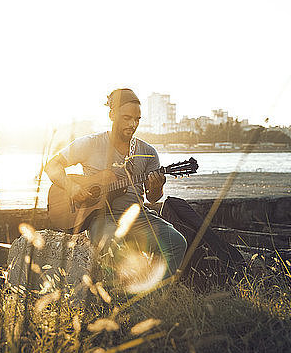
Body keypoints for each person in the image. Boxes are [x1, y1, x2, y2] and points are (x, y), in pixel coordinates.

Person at [44, 88, 187, 278]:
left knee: (176, 242)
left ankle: (152, 295)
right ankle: (117, 299)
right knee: (111, 244)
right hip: (101, 218)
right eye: (127, 118)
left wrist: (156, 186)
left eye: (137, 119)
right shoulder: (90, 143)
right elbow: (52, 166)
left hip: (138, 216)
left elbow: (153, 198)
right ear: (112, 115)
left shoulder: (148, 152)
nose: (132, 124)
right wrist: (71, 187)